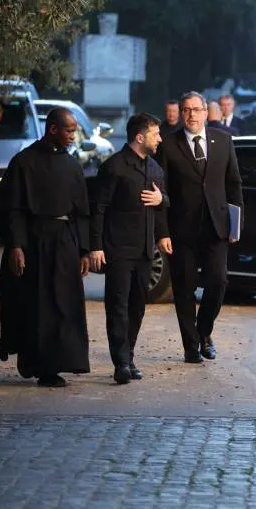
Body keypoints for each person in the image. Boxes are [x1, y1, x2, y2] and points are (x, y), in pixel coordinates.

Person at [0, 108, 91, 387]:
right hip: (33, 243)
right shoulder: (24, 162)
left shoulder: (72, 166)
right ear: (53, 129)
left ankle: (65, 361)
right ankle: (41, 366)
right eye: (69, 130)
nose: (73, 135)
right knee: (37, 306)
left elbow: (82, 212)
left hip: (65, 243)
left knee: (64, 304)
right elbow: (12, 209)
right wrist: (16, 245)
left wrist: (83, 248)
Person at [155, 91, 244, 363]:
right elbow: (160, 191)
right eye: (186, 110)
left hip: (216, 228)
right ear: (181, 114)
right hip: (181, 231)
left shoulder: (224, 141)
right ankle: (191, 346)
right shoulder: (168, 146)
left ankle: (204, 332)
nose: (191, 115)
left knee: (218, 281)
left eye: (196, 109)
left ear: (207, 112)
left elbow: (233, 184)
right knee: (183, 288)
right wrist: (162, 232)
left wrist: (236, 224)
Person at [89, 113, 168, 384]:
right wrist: (96, 247)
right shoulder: (114, 167)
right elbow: (98, 209)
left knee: (137, 307)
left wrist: (162, 203)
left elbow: (161, 207)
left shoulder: (155, 169)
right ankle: (120, 362)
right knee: (118, 307)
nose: (159, 139)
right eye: (155, 134)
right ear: (139, 137)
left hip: (145, 252)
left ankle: (129, 355)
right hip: (119, 250)